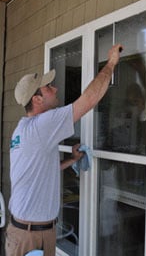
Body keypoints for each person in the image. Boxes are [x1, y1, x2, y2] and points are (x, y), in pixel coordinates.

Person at [5, 43, 123, 256]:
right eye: (48, 87)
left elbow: (37, 171)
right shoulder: (42, 125)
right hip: (31, 237)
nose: (56, 88)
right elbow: (88, 100)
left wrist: (71, 160)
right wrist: (112, 63)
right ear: (37, 99)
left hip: (28, 230)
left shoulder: (22, 130)